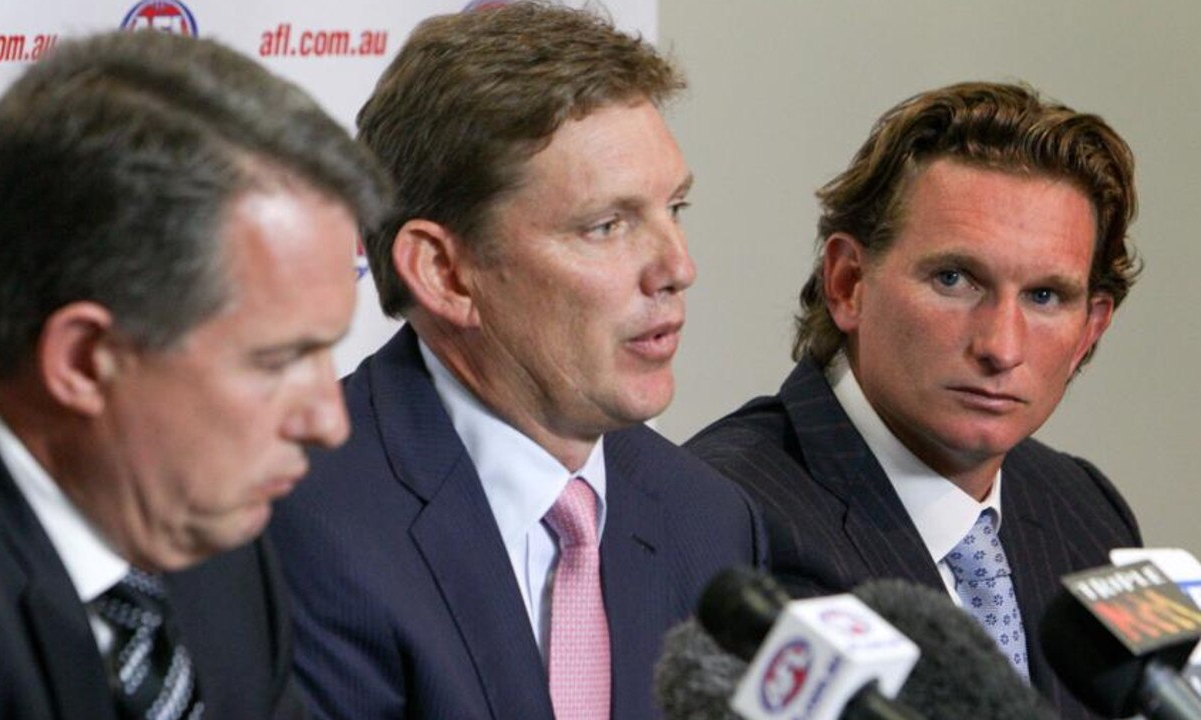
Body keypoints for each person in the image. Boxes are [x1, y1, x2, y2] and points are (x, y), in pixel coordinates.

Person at [268, 4, 767, 719]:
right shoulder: (296, 516)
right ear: (444, 272)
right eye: (607, 226)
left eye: (674, 209)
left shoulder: (709, 521)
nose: (677, 267)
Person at [0, 29, 387, 720]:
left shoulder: (202, 530)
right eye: (277, 361)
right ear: (82, 360)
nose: (329, 420)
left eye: (327, 353)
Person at [686, 81, 1141, 720]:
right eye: (954, 279)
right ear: (847, 283)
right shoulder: (714, 513)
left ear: (1091, 328)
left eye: (1045, 297)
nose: (1000, 347)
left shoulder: (1083, 508)